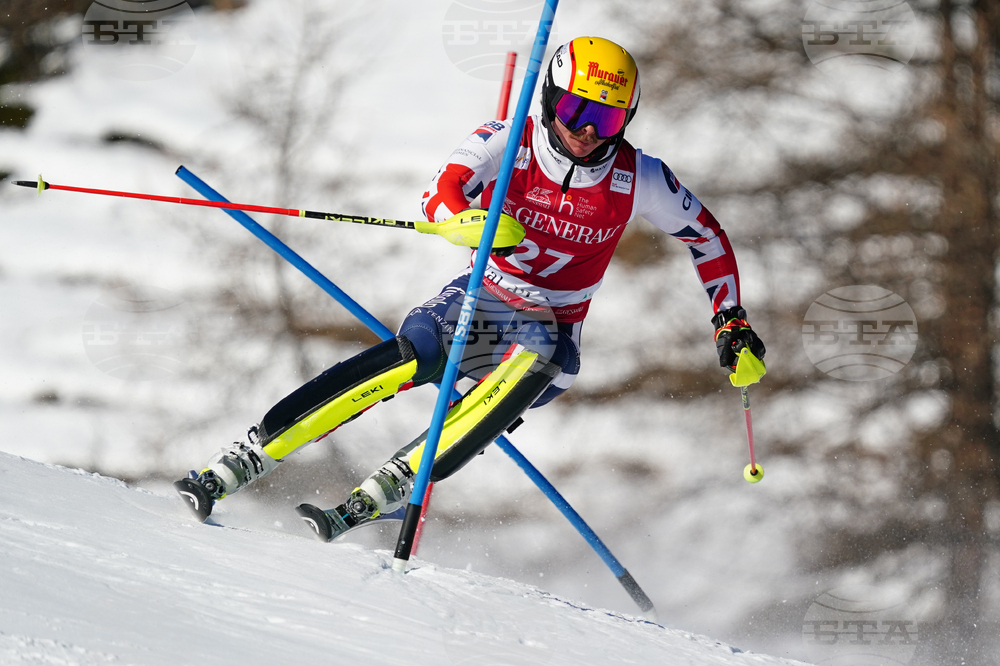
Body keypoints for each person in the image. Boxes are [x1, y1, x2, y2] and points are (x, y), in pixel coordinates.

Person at [174, 37, 766, 539]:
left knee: (538, 358)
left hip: (552, 324)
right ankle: (247, 457)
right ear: (551, 98)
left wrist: (730, 319)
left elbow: (706, 237)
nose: (586, 131)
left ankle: (387, 488)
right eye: (576, 109)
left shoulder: (640, 177)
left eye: (606, 119)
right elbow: (440, 193)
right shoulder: (507, 139)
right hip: (484, 293)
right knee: (417, 355)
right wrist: (469, 220)